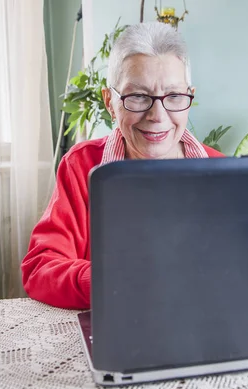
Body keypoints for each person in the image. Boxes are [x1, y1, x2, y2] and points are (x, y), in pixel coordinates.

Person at [21, 21, 224, 309]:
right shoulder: (82, 166)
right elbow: (40, 268)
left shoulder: (223, 171)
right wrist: (110, 280)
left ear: (190, 97)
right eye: (138, 97)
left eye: (174, 96)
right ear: (109, 102)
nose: (157, 115)